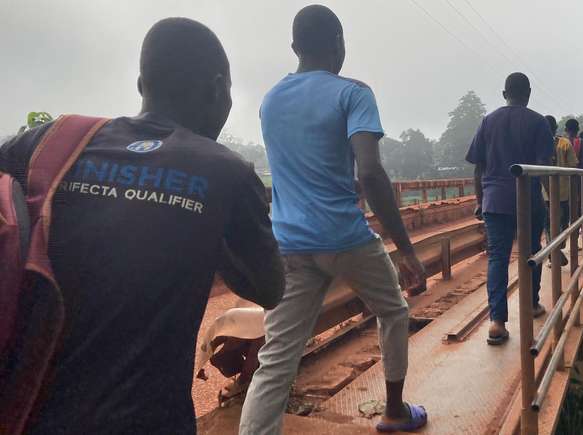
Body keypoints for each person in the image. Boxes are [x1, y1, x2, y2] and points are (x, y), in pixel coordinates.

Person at [0, 18, 284, 434]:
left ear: (141, 84)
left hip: (28, 415)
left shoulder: (47, 143)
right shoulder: (227, 172)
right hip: (148, 421)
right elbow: (269, 288)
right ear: (218, 89)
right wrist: (202, 219)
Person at [239, 6, 427, 434]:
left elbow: (306, 164)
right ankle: (394, 412)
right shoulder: (353, 94)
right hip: (345, 238)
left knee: (276, 360)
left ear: (294, 47)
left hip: (289, 244)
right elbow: (371, 173)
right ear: (340, 44)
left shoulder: (270, 101)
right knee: (393, 311)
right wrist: (407, 251)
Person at [466, 72, 553, 346]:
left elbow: (478, 168)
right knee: (532, 253)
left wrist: (480, 200)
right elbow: (543, 168)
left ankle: (497, 322)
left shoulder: (488, 121)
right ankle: (531, 304)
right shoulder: (539, 122)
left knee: (497, 258)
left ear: (505, 94)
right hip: (528, 200)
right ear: (529, 94)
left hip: (494, 201)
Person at [543, 115, 578, 263]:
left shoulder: (538, 143)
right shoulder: (564, 143)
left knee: (551, 223)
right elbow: (573, 165)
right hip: (560, 192)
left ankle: (554, 249)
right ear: (556, 128)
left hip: (547, 193)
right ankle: (555, 250)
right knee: (561, 222)